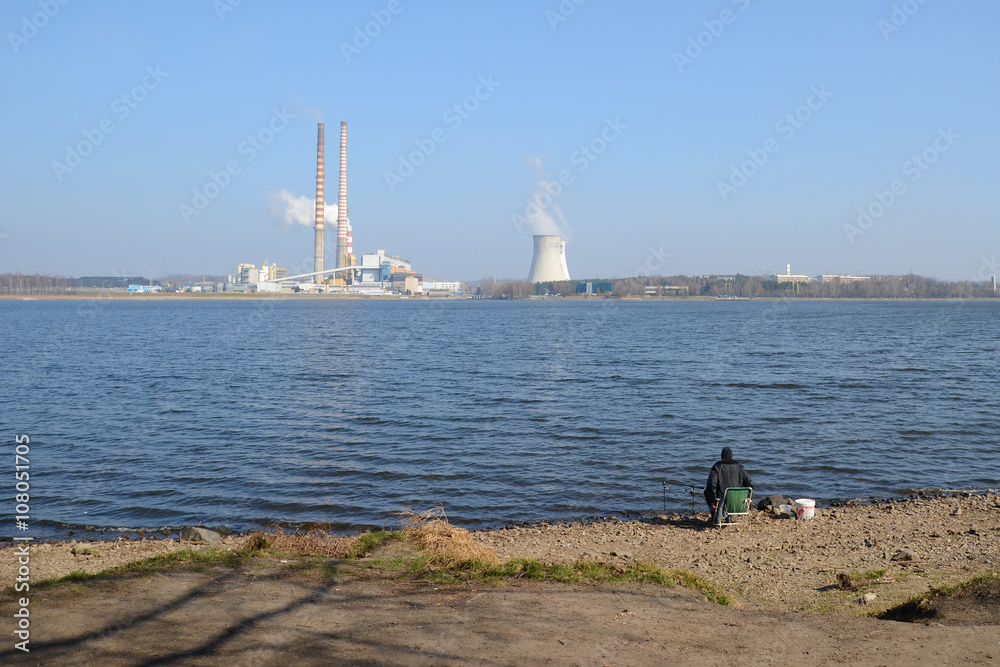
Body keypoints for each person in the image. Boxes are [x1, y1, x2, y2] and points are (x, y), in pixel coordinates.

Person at [704, 447, 753, 525]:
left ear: (722, 457)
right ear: (731, 456)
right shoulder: (739, 467)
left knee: (707, 492)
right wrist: (747, 498)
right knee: (730, 494)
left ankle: (714, 515)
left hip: (722, 497)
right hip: (737, 498)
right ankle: (729, 516)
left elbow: (712, 484)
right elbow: (749, 483)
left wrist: (713, 500)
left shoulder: (717, 467)